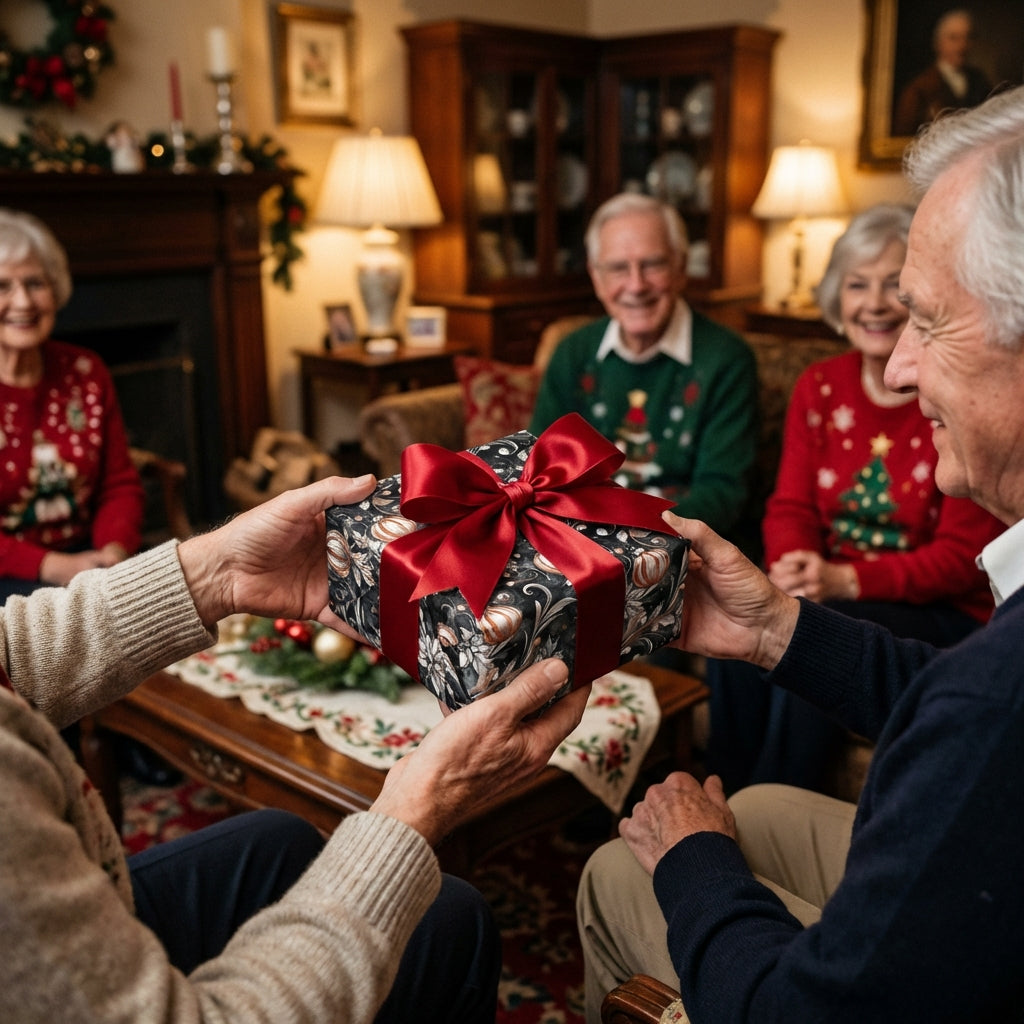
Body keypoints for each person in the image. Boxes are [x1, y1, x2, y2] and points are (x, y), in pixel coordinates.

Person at [577, 84, 1024, 1022]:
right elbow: (950, 705)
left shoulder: (991, 700)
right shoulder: (982, 698)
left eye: (929, 319)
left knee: (616, 870)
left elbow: (800, 1013)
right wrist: (781, 627)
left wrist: (696, 857)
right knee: (769, 802)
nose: (900, 365)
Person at [0, 473, 592, 1022]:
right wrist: (415, 810)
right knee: (448, 925)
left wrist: (216, 572)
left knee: (281, 838)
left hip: (85, 889)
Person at [704, 202, 1003, 794]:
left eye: (894, 285)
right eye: (856, 284)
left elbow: (960, 557)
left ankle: (777, 800)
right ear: (836, 296)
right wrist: (792, 569)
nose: (873, 302)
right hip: (831, 584)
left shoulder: (949, 395)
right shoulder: (819, 384)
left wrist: (843, 583)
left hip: (941, 610)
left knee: (822, 627)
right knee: (735, 613)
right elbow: (789, 505)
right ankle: (727, 790)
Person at [529, 192, 758, 538]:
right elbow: (539, 474)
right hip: (581, 543)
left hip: (687, 549)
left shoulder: (727, 359)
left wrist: (628, 536)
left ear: (681, 267)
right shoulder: (572, 353)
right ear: (596, 277)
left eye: (653, 264)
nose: (636, 285)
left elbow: (723, 495)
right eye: (618, 268)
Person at [0, 208, 144, 599]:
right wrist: (54, 567)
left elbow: (119, 484)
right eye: (3, 286)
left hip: (90, 560)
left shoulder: (85, 370)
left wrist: (112, 553)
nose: (23, 301)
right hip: (8, 574)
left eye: (35, 283)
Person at [893, 8, 992, 136]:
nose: (962, 46)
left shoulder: (979, 81)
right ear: (938, 43)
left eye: (968, 37)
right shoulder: (918, 89)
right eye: (954, 38)